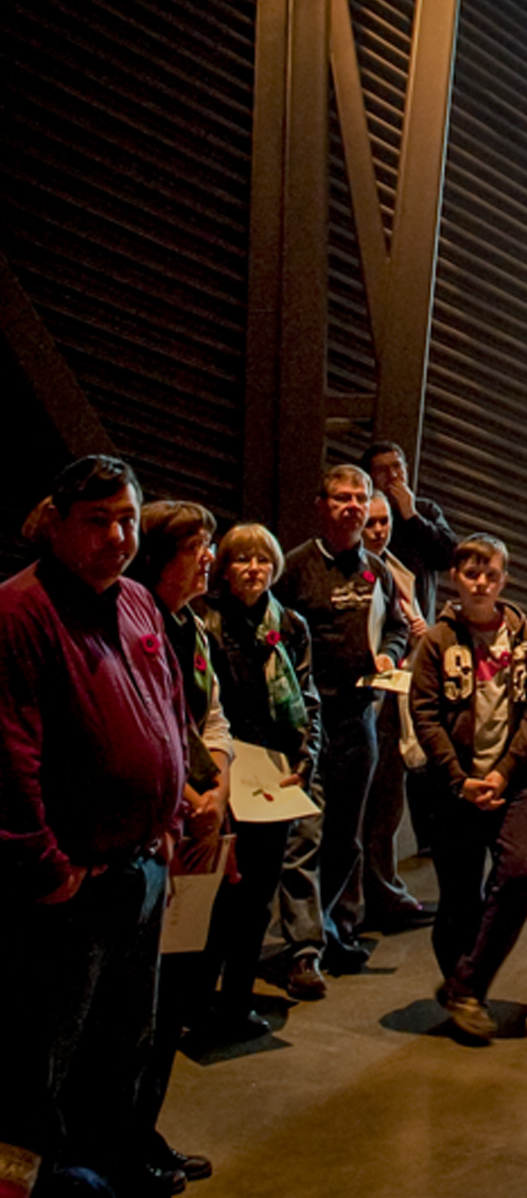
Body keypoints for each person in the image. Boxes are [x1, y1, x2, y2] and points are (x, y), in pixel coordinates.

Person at [0, 457, 191, 1198]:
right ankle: (29, 1185)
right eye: (98, 521)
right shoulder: (20, 611)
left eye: (128, 520)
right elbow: (9, 754)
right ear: (55, 522)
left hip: (139, 872)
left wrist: (170, 820)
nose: (118, 536)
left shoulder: (139, 602)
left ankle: (104, 1177)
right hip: (68, 886)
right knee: (40, 1057)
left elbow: (168, 708)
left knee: (123, 1044)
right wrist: (45, 865)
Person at [125, 502, 236, 1190]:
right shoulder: (134, 618)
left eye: (211, 545)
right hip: (154, 834)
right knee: (133, 1014)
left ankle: (141, 1130)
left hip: (197, 826)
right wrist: (183, 800)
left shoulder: (194, 626)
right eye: (197, 545)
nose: (209, 558)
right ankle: (117, 1142)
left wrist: (217, 791)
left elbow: (211, 717)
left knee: (167, 1008)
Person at [409, 534, 527, 1043]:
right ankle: (465, 992)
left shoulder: (520, 632)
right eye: (471, 573)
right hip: (453, 790)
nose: (481, 582)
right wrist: (459, 778)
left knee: (519, 875)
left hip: (512, 783)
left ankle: (466, 986)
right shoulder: (437, 641)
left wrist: (505, 771)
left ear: (503, 579)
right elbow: (423, 712)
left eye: (491, 573)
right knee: (459, 898)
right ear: (455, 577)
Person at [274, 464, 410, 975]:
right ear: (321, 507)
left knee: (345, 838)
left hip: (360, 720)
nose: (353, 507)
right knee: (304, 837)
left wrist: (391, 657)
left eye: (361, 498)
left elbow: (397, 626)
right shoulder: (294, 568)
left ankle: (333, 930)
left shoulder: (376, 570)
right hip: (310, 724)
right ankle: (303, 951)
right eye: (342, 498)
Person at [201, 524, 329, 1005]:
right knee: (216, 896)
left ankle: (236, 1000)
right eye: (241, 560)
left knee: (257, 899)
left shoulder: (291, 626)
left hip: (273, 776)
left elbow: (309, 702)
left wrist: (306, 758)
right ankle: (196, 999)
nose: (253, 569)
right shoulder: (205, 621)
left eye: (262, 560)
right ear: (224, 569)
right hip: (221, 774)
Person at [362, 440, 456, 867]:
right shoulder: (367, 520)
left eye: (398, 467)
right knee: (387, 748)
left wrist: (410, 514)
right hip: (378, 647)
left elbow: (447, 554)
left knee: (425, 736)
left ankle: (432, 834)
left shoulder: (422, 512)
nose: (394, 476)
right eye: (383, 470)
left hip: (422, 641)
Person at [357, 490, 434, 932]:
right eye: (371, 523)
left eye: (384, 522)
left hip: (396, 699)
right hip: (366, 704)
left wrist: (411, 632)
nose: (379, 530)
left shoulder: (394, 569)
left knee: (388, 804)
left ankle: (383, 891)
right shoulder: (357, 573)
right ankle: (368, 899)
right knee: (367, 810)